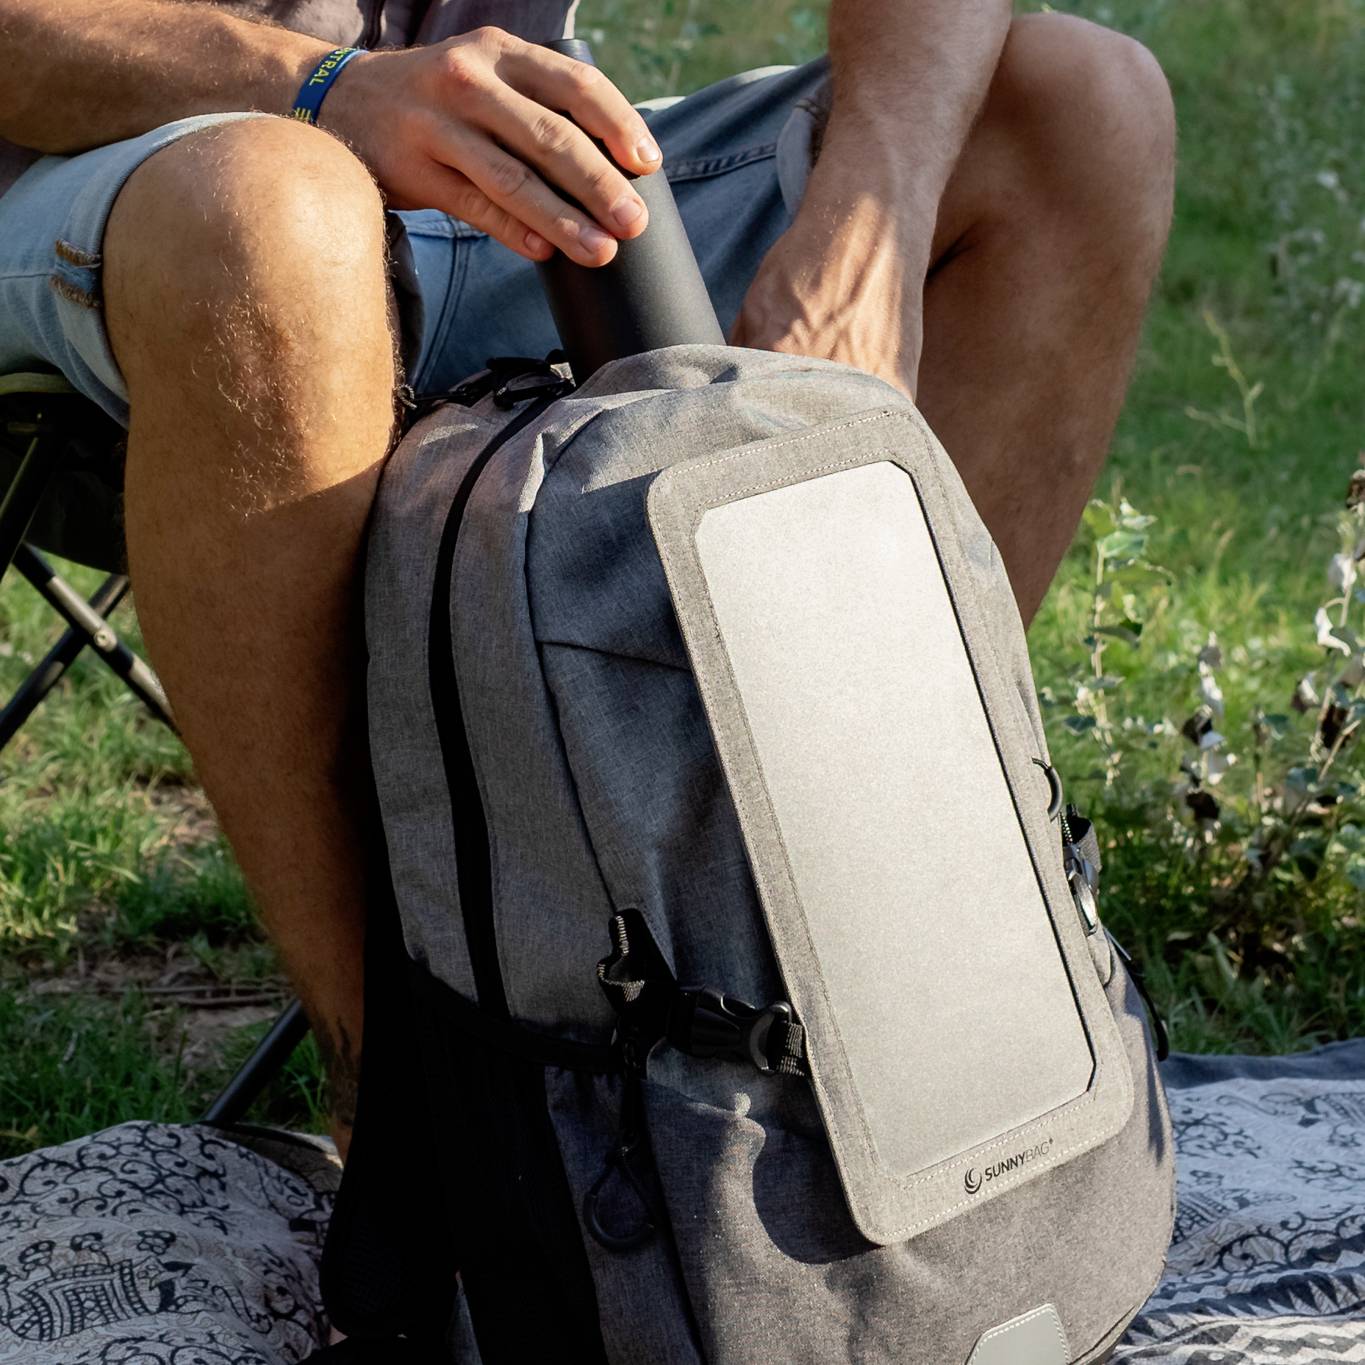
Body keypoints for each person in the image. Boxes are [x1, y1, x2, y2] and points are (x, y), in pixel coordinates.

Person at [0, 0, 1175, 1154]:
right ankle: (432, 1126)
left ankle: (853, 1009)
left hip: (503, 179)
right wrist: (327, 88)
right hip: (110, 170)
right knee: (271, 204)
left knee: (1077, 109)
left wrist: (872, 220)